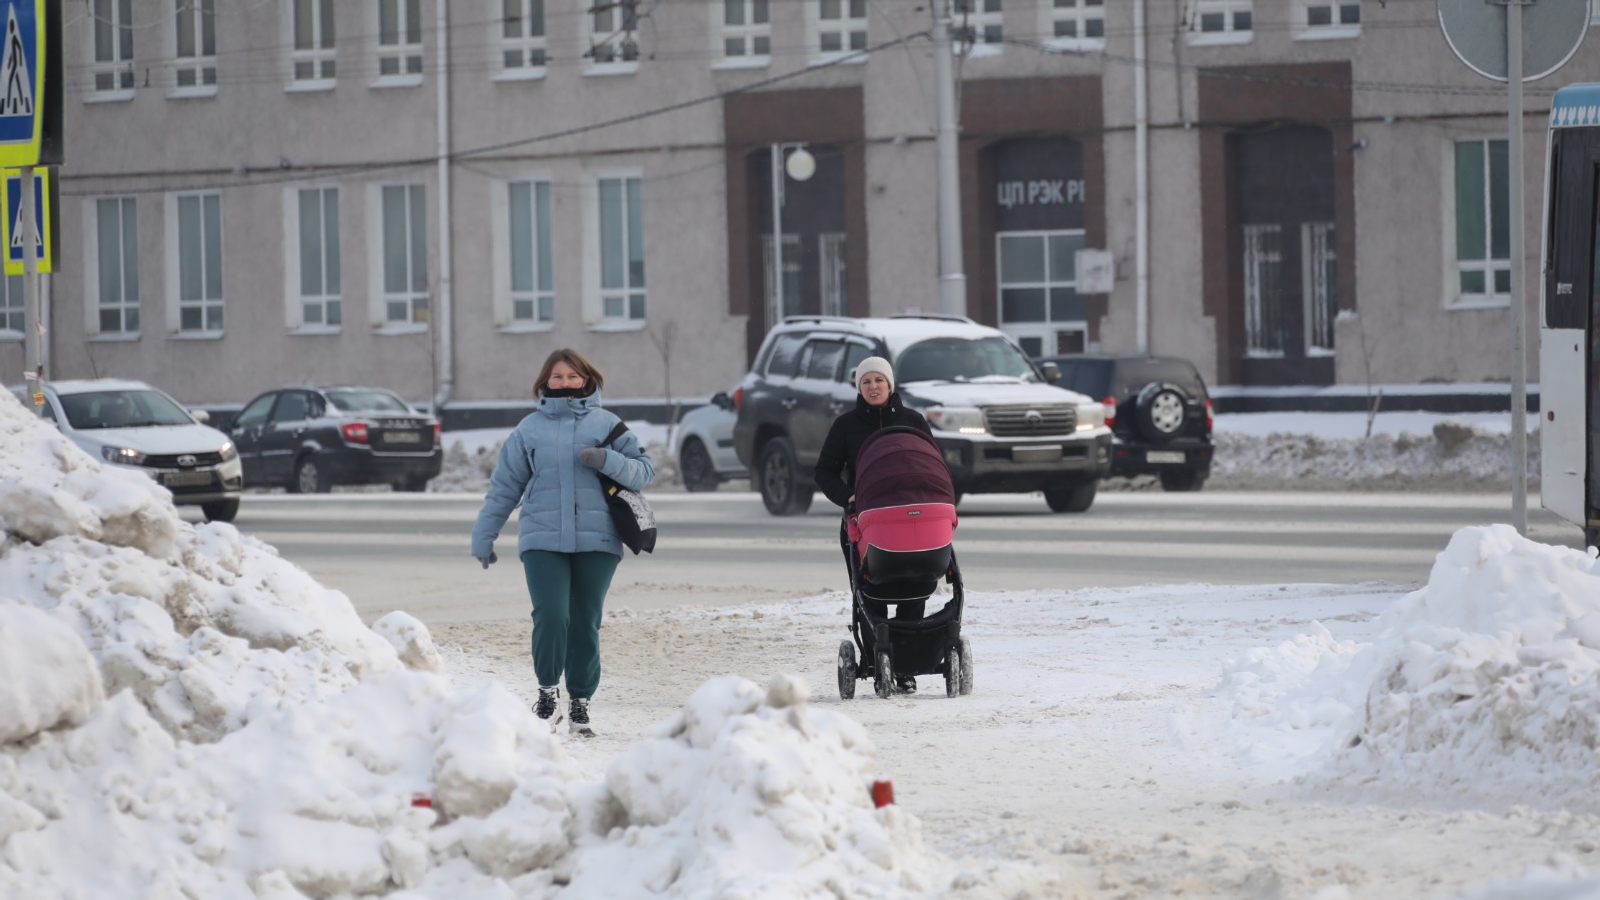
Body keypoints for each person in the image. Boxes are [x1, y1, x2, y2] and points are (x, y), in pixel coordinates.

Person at [471, 348, 654, 736]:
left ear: (587, 379)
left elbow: (644, 472)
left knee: (585, 621)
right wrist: (484, 534)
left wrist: (607, 460)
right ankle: (547, 694)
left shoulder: (609, 424)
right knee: (552, 615)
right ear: (545, 382)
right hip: (542, 535)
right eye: (558, 377)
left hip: (598, 538)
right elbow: (505, 487)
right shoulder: (528, 430)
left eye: (573, 376)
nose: (566, 383)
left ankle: (581, 702)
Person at [814, 356, 933, 694]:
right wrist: (847, 496)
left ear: (890, 384)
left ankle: (906, 664)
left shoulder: (913, 421)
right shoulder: (846, 426)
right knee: (872, 593)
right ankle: (880, 655)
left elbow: (931, 464)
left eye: (879, 380)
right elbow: (824, 471)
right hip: (865, 523)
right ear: (859, 387)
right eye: (866, 382)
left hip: (910, 522)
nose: (873, 387)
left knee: (914, 589)